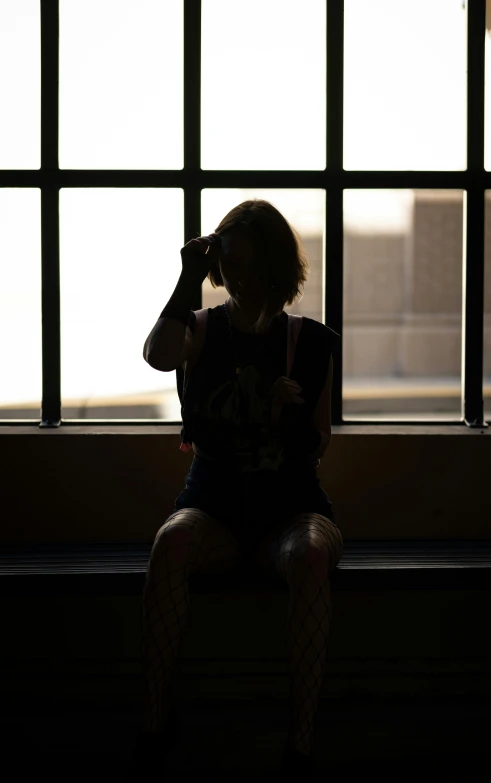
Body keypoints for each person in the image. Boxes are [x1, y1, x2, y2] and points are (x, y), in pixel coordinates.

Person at [132, 199, 344, 779]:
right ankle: (154, 724)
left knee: (309, 554)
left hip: (291, 510)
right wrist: (186, 277)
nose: (241, 278)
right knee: (171, 542)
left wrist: (282, 418)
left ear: (276, 266)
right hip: (214, 508)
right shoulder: (200, 330)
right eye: (231, 264)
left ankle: (299, 745)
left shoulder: (311, 342)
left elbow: (317, 443)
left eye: (251, 264)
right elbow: (157, 356)